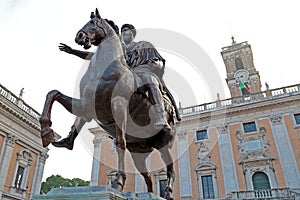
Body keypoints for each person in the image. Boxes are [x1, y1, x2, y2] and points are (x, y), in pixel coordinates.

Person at [58, 23, 180, 131]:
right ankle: (73, 133)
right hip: (125, 75)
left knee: (150, 79)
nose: (123, 33)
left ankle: (160, 115)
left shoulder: (144, 44)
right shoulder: (118, 49)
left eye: (126, 30)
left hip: (143, 71)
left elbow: (159, 61)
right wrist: (72, 51)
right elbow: (93, 55)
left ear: (132, 33)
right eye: (122, 31)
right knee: (95, 91)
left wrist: (153, 65)